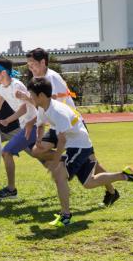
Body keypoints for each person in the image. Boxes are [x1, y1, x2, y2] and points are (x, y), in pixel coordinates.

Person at [27, 77, 133, 226]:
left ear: (41, 96)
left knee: (60, 175)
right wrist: (40, 140)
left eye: (31, 94)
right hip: (77, 144)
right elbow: (41, 125)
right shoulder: (42, 107)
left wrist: (55, 161)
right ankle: (125, 175)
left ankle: (65, 216)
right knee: (89, 183)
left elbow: (63, 140)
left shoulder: (57, 112)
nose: (29, 97)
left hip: (79, 145)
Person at [22, 47, 118, 206]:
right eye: (28, 65)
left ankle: (111, 191)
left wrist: (25, 98)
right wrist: (33, 121)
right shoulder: (39, 79)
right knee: (37, 150)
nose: (30, 68)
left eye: (33, 64)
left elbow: (44, 102)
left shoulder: (50, 77)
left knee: (93, 162)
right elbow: (43, 108)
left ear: (43, 62)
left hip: (73, 125)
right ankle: (65, 160)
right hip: (56, 126)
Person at [0, 59, 39, 200]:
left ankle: (11, 190)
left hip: (33, 125)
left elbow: (23, 108)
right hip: (25, 127)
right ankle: (67, 161)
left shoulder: (16, 85)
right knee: (41, 156)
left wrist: (7, 120)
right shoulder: (2, 88)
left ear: (3, 72)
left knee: (6, 152)